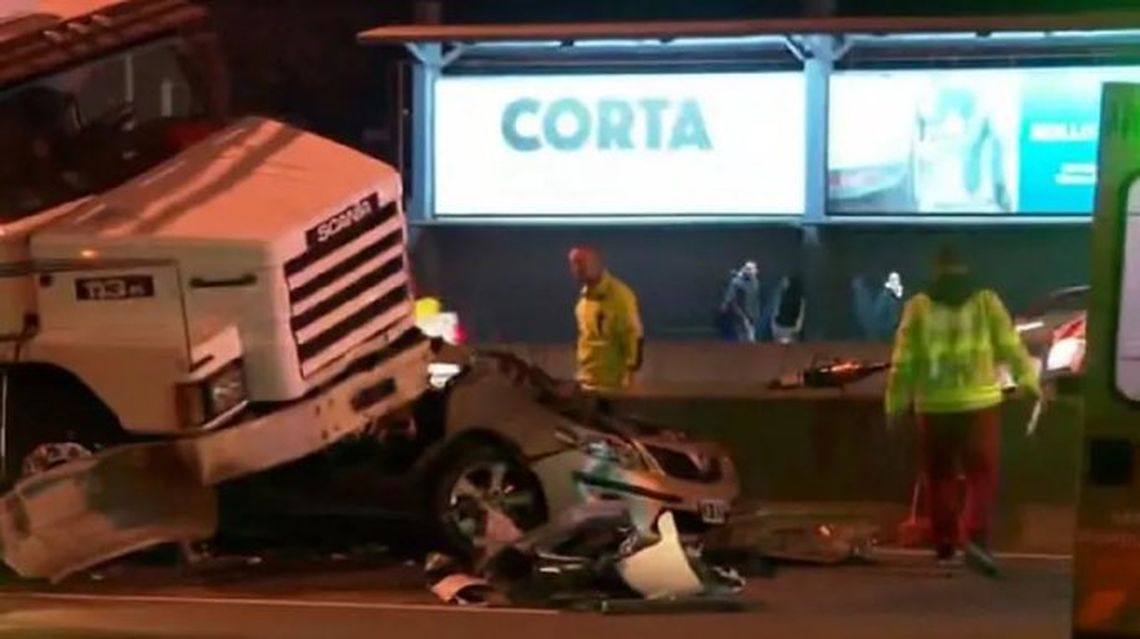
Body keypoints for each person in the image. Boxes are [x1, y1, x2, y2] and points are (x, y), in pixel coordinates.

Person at [885, 246, 1039, 577]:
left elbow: (904, 361)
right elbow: (1010, 346)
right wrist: (1029, 381)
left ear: (935, 268)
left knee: (938, 476)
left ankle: (945, 543)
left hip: (934, 405)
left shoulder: (919, 307)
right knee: (982, 474)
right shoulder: (986, 302)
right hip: (980, 402)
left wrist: (895, 404)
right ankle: (976, 537)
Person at [568, 246, 644, 391]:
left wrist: (631, 378)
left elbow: (634, 336)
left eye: (583, 263)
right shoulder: (583, 300)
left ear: (598, 263)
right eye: (574, 264)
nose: (578, 268)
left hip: (613, 387)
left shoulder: (620, 296)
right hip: (586, 384)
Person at [853, 271, 905, 342]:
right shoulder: (860, 287)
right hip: (867, 335)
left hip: (888, 334)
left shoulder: (889, 292)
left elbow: (895, 318)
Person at [720, 261, 762, 343]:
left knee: (751, 335)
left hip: (753, 312)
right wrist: (725, 305)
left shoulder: (756, 282)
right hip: (741, 313)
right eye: (748, 269)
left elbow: (756, 297)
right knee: (743, 335)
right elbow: (730, 296)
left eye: (752, 269)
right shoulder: (736, 282)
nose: (750, 271)